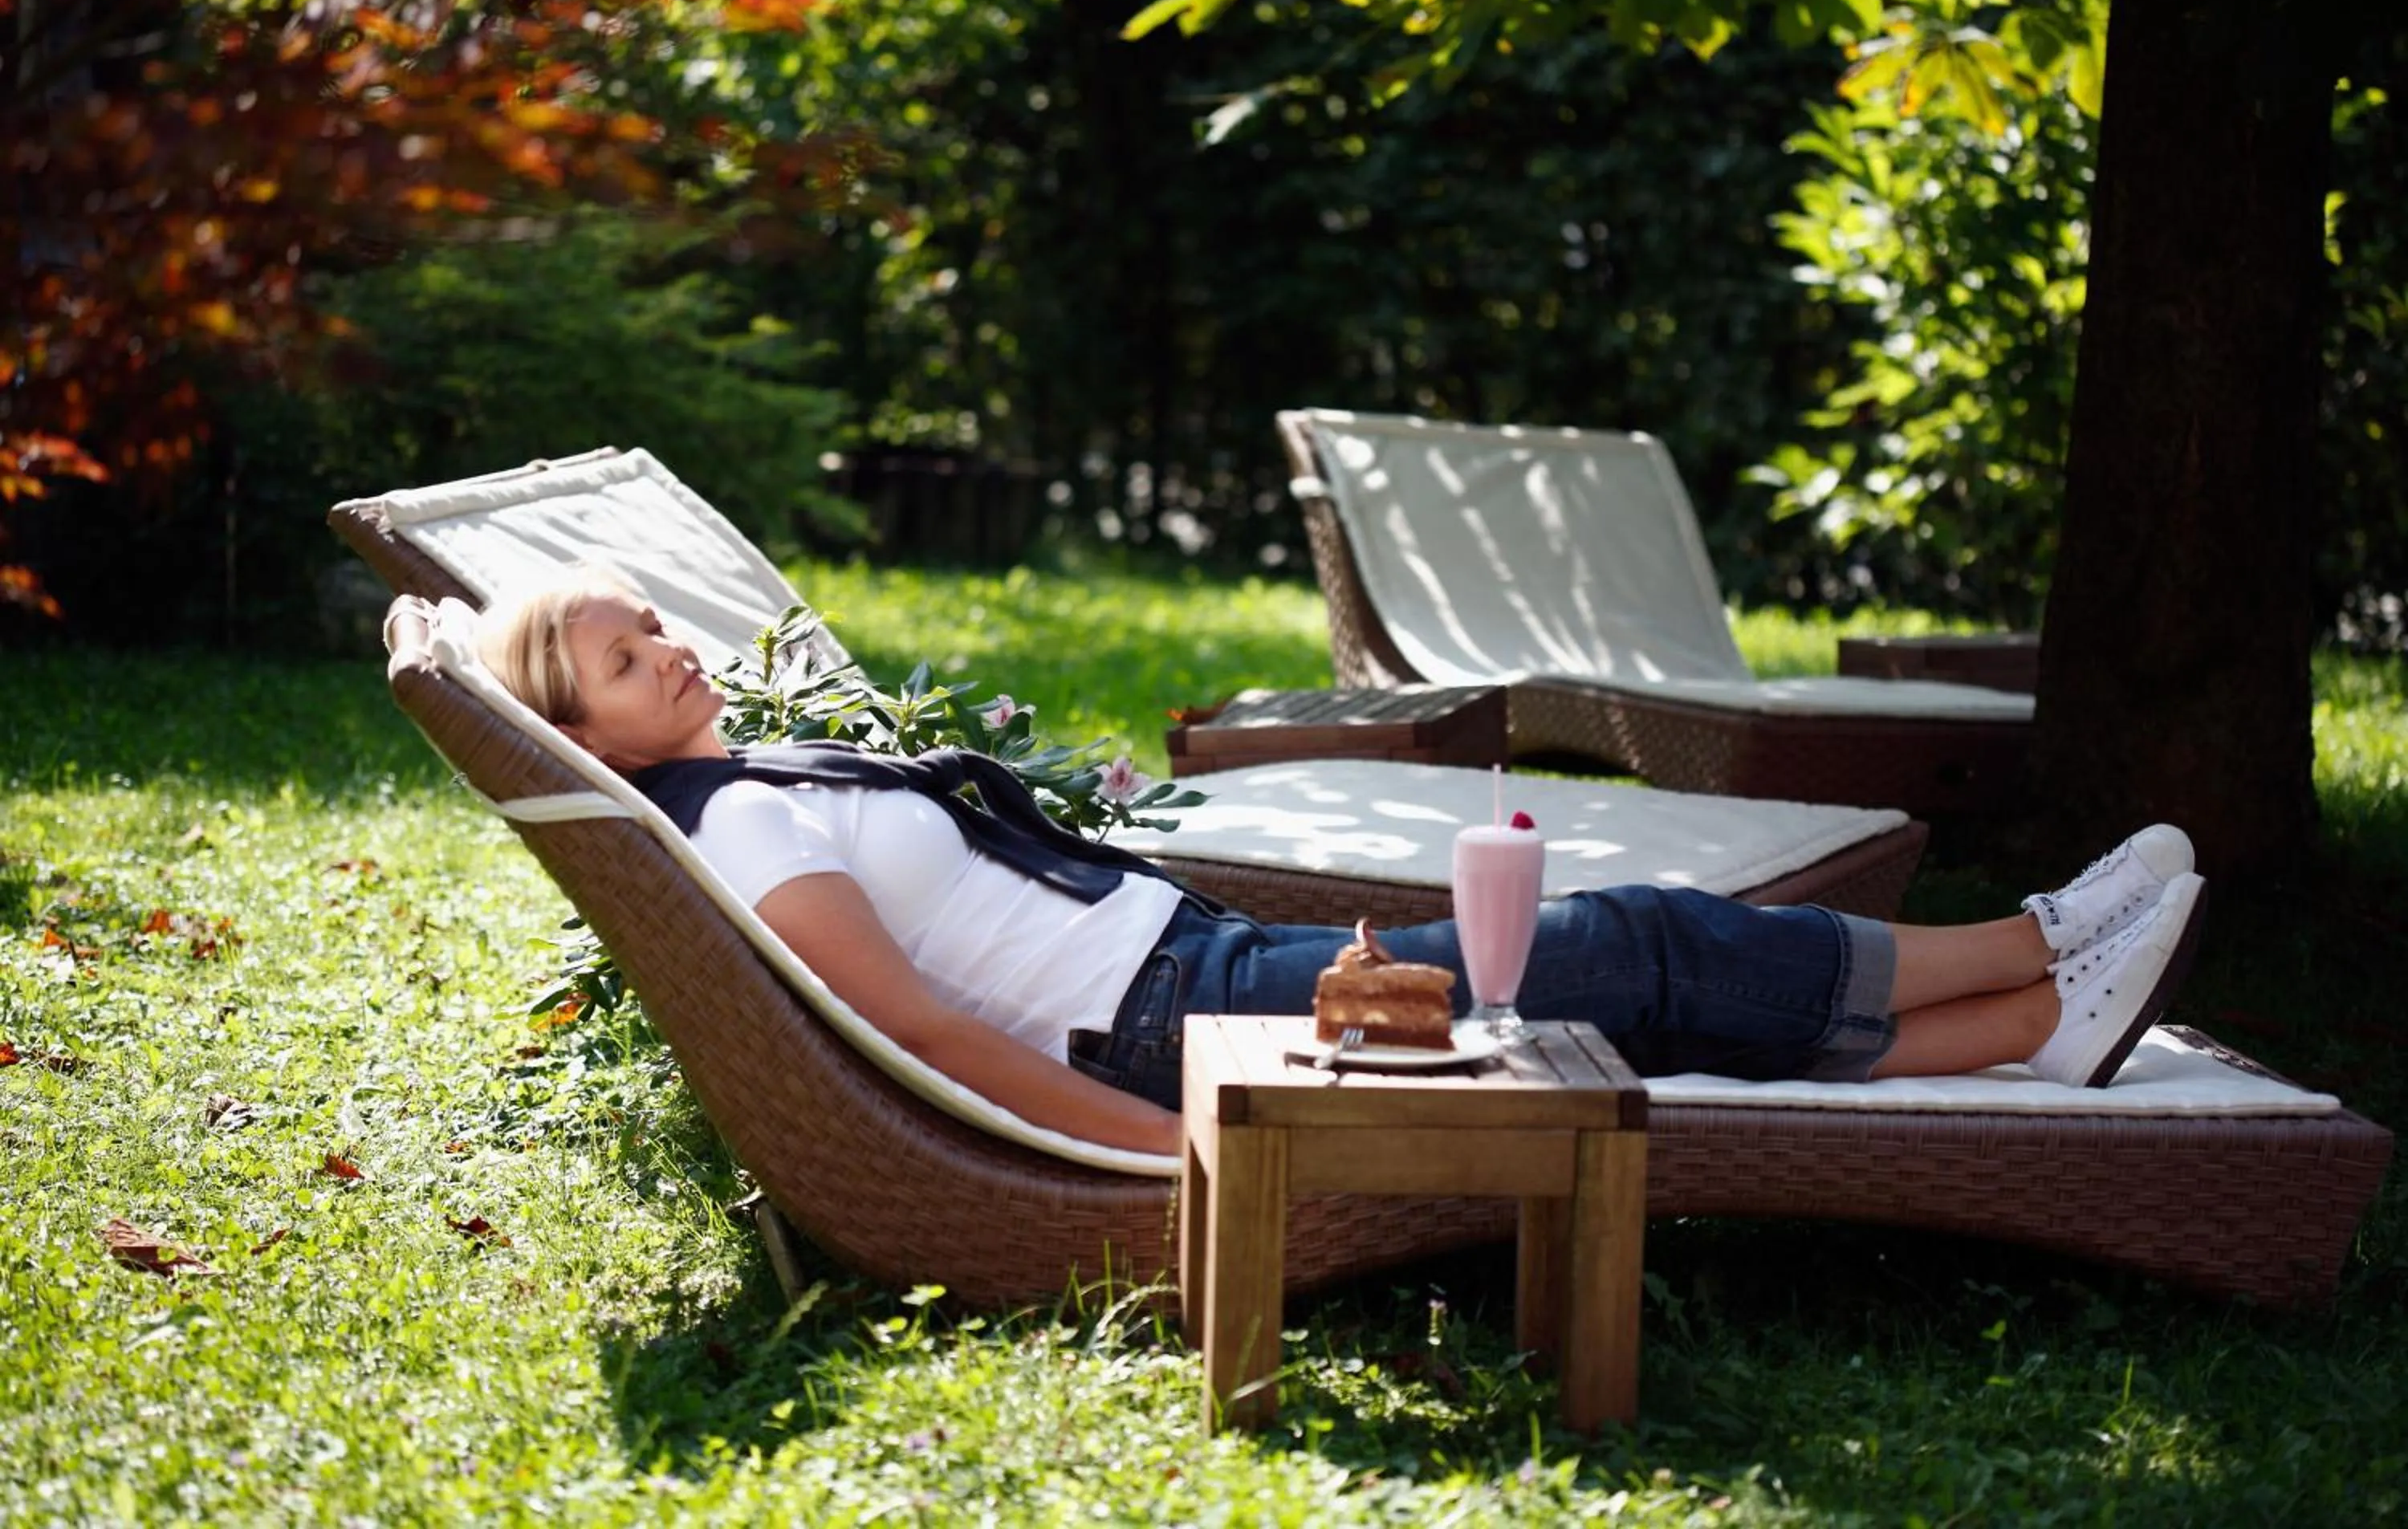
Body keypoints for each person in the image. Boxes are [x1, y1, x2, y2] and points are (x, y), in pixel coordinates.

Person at [478, 568, 2207, 1158]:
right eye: (630, 662)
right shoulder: (756, 831)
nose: (674, 653)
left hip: (1195, 968)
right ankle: (2036, 950)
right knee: (1631, 952)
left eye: (657, 627)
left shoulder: (749, 778)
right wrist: (1176, 1162)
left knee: (1630, 968)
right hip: (1177, 1030)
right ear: (594, 736)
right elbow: (924, 1038)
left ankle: (2034, 1017)